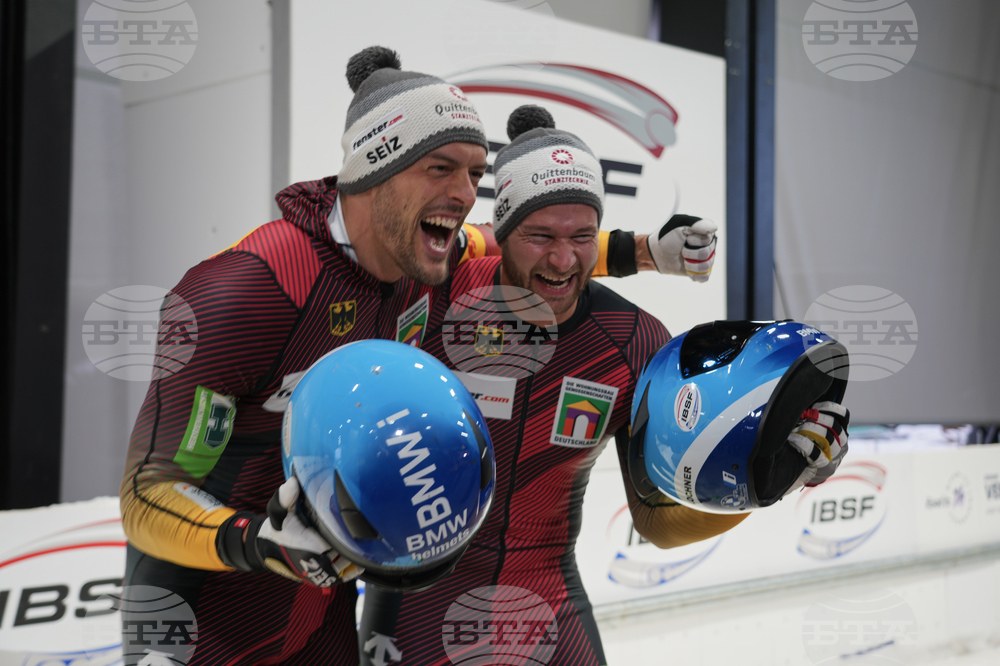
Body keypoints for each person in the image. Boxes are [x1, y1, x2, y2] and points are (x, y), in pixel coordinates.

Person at [118, 44, 709, 664]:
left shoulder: (428, 255)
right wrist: (256, 542)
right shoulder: (250, 287)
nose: (464, 194)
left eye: (476, 174)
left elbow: (525, 241)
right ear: (374, 168)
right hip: (201, 622)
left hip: (322, 614)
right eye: (440, 168)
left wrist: (645, 249)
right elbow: (146, 491)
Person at [358, 106, 849, 666]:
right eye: (539, 235)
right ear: (502, 232)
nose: (565, 259)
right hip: (413, 594)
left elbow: (658, 524)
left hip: (544, 592)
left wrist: (765, 480)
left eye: (583, 237)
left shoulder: (633, 341)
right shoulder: (433, 294)